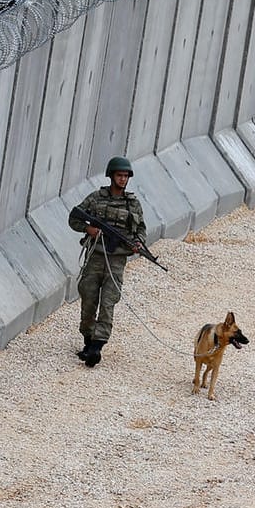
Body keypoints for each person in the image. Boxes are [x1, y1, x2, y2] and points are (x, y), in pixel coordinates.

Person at [69, 156, 147, 367]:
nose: (123, 180)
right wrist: (88, 229)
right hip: (95, 256)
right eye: (119, 175)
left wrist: (137, 244)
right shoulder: (96, 199)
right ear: (111, 176)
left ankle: (97, 346)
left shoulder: (133, 204)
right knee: (88, 299)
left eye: (125, 176)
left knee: (108, 302)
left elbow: (141, 230)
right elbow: (74, 218)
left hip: (116, 261)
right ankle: (88, 338)